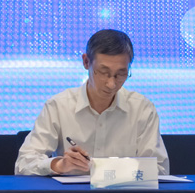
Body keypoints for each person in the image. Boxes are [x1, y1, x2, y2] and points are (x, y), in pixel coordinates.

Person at [15, 29, 169, 175]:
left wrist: (113, 170)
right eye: (103, 72)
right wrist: (59, 165)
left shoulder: (142, 109)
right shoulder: (58, 106)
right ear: (86, 62)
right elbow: (23, 164)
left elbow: (159, 169)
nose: (111, 84)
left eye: (121, 74)